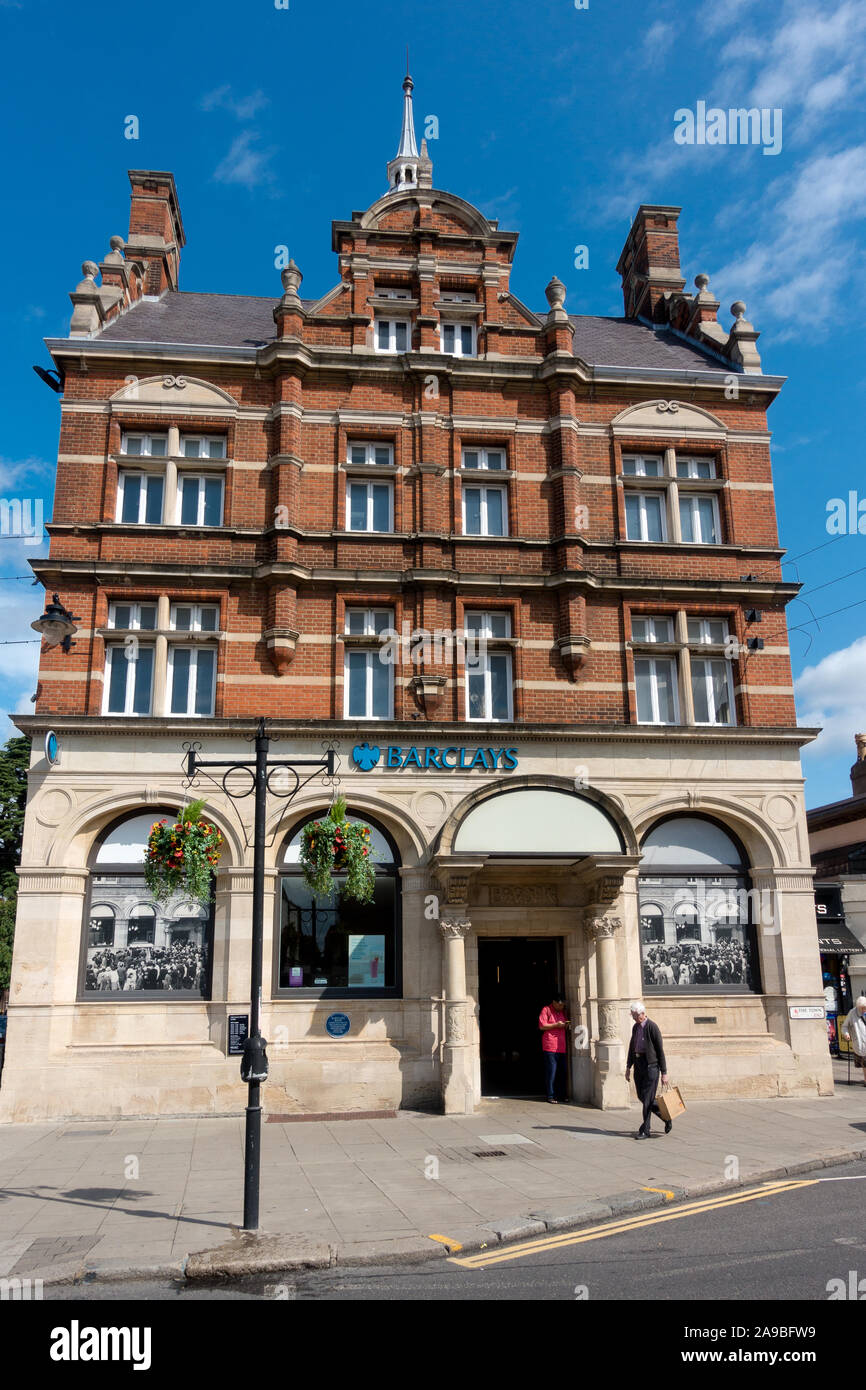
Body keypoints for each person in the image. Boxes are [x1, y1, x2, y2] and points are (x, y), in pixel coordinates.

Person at [625, 1001, 671, 1139]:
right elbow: (632, 1047)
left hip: (651, 1066)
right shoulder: (635, 1027)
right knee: (642, 1096)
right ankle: (665, 1116)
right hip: (639, 1065)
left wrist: (664, 1073)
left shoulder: (652, 1027)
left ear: (642, 1013)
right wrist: (628, 1067)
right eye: (632, 1015)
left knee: (647, 1099)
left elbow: (660, 1051)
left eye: (635, 1015)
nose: (633, 1018)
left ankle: (645, 1129)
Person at [539, 995, 570, 1103]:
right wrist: (556, 1025)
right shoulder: (546, 1010)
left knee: (563, 1072)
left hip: (561, 1046)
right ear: (554, 1002)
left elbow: (564, 1024)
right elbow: (542, 1026)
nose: (561, 1007)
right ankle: (550, 1095)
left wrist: (565, 1025)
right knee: (552, 1071)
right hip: (550, 1046)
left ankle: (563, 1095)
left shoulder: (562, 1012)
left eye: (563, 1005)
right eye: (559, 1005)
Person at [842, 996, 866, 1085]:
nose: (864, 1010)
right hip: (860, 1041)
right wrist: (846, 1034)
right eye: (862, 1008)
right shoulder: (852, 1013)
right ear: (858, 1007)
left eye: (865, 1008)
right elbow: (844, 1026)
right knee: (865, 1062)